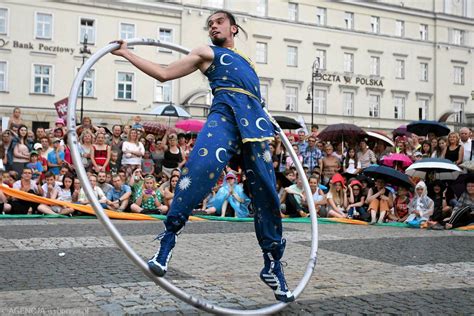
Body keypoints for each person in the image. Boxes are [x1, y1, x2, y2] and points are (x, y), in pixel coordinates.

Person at [111, 9, 294, 302]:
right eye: (209, 24)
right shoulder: (205, 52)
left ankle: (273, 264)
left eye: (219, 22)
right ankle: (168, 239)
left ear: (234, 28)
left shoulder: (248, 61)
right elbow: (164, 73)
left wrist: (264, 115)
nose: (213, 27)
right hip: (223, 116)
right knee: (200, 169)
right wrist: (127, 54)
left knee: (267, 192)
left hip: (255, 123)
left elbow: (253, 97)